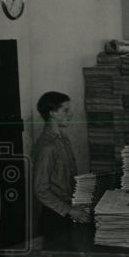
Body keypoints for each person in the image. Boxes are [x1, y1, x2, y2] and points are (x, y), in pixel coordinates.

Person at [31, 91, 91, 236]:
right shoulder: (47, 146)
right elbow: (40, 189)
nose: (70, 114)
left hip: (68, 211)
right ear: (52, 113)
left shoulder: (63, 140)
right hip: (54, 216)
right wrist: (69, 210)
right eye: (65, 110)